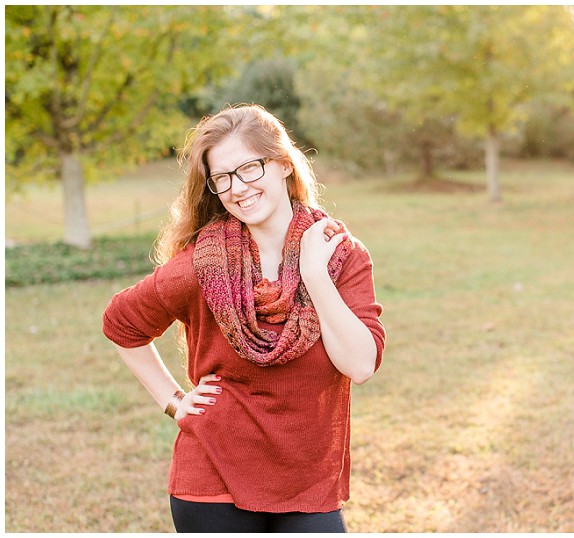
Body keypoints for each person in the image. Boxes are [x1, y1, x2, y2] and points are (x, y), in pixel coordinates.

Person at [102, 104, 386, 533]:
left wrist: (314, 275)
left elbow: (360, 364)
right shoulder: (204, 265)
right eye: (222, 178)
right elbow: (121, 324)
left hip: (306, 481)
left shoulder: (340, 255)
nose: (238, 188)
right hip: (213, 480)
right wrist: (174, 401)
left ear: (284, 165)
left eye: (250, 168)